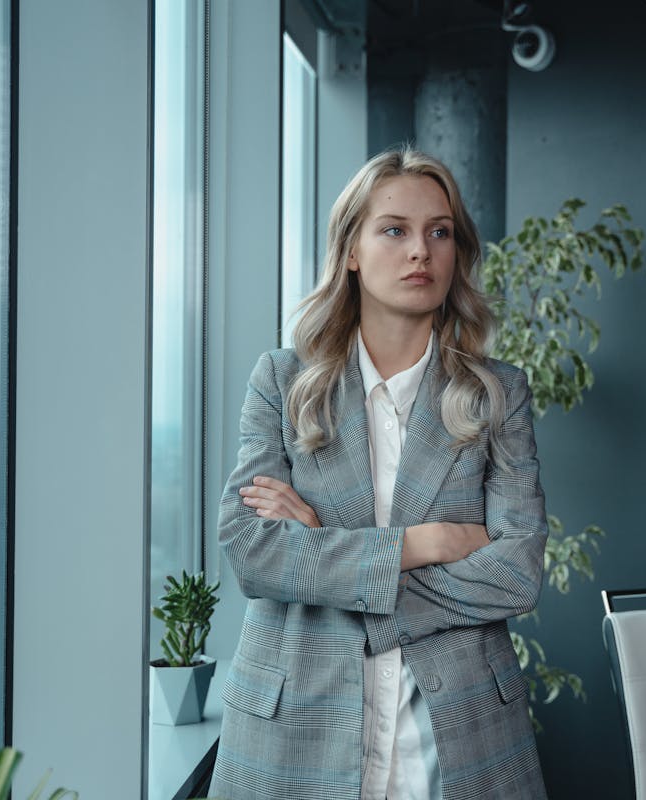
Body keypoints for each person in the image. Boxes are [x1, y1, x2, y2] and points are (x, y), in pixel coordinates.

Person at [208, 147, 549, 800]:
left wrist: (323, 551)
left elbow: (516, 572)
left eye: (439, 232)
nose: (420, 250)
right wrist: (425, 545)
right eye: (394, 229)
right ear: (353, 251)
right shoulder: (282, 381)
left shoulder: (499, 393)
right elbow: (253, 552)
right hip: (295, 731)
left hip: (459, 737)